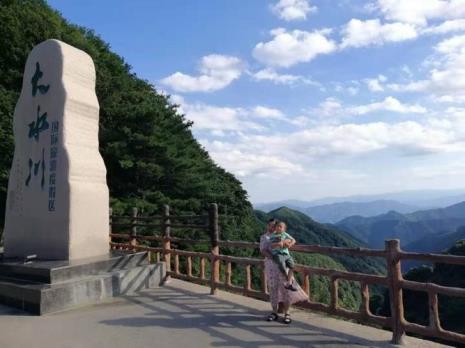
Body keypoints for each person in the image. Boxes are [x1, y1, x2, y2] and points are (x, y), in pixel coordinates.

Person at [260, 219, 307, 324]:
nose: (272, 227)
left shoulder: (283, 235)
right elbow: (263, 250)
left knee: (285, 289)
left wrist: (287, 243)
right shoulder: (264, 237)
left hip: (283, 265)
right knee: (273, 289)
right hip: (271, 265)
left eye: (274, 226)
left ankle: (287, 313)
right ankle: (274, 312)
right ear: (267, 226)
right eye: (271, 225)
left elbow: (290, 242)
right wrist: (274, 257)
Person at [269, 221, 297, 291]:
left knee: (292, 267)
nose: (278, 228)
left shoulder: (285, 234)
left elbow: (293, 240)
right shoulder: (273, 235)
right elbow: (271, 246)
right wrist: (278, 243)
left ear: (284, 229)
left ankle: (289, 282)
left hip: (286, 253)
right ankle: (289, 281)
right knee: (282, 266)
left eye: (281, 227)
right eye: (277, 226)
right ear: (275, 227)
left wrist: (290, 244)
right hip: (278, 254)